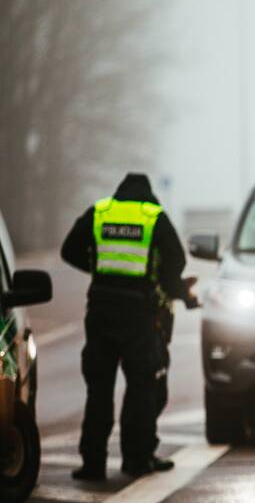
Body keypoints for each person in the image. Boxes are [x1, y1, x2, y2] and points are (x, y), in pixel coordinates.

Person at [61, 173, 192, 479]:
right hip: (138, 314)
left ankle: (93, 463)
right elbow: (178, 261)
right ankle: (137, 459)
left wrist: (101, 269)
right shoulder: (153, 217)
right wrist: (162, 281)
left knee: (99, 390)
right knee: (141, 389)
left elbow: (69, 250)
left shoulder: (100, 211)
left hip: (101, 310)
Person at [149, 275, 199, 445]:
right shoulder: (159, 247)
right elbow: (172, 269)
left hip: (104, 307)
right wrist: (185, 293)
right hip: (148, 322)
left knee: (99, 392)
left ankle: (93, 462)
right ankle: (140, 454)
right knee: (148, 391)